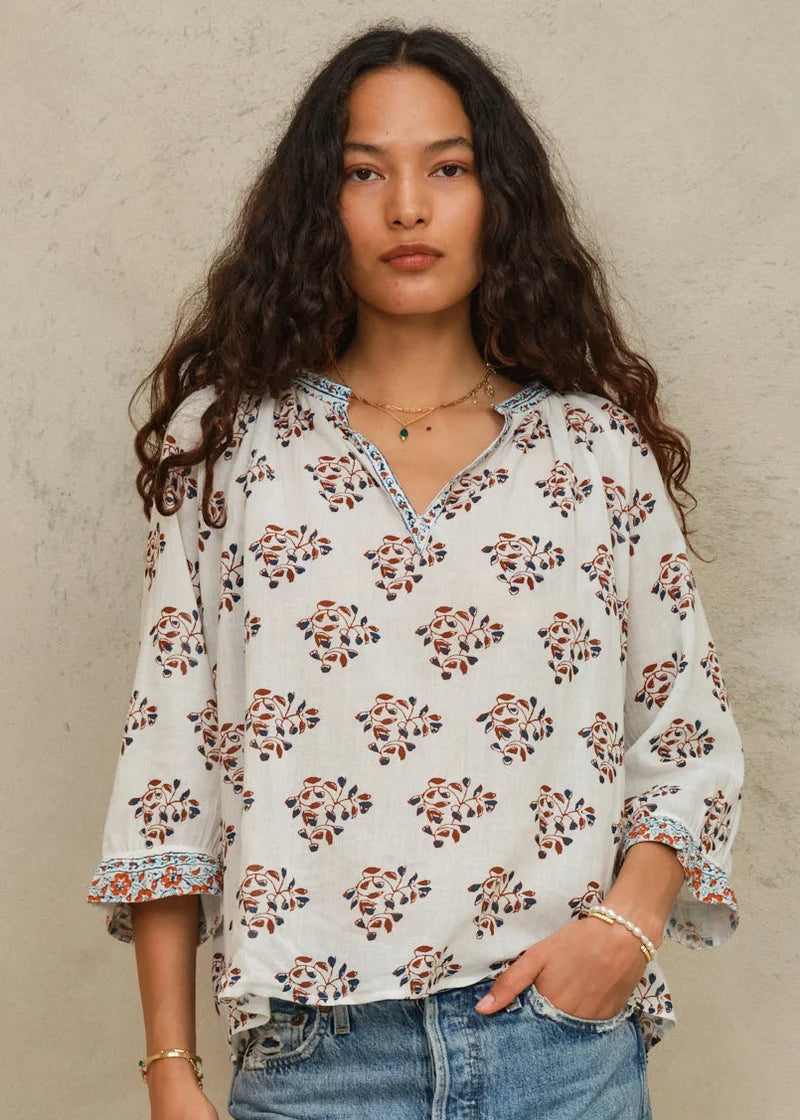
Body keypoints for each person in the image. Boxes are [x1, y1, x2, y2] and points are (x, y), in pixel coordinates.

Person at [87, 21, 744, 1120]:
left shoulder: (589, 449)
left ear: (499, 198)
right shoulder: (233, 449)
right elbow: (169, 759)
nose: (406, 207)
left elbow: (682, 732)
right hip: (314, 1062)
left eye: (447, 168)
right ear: (317, 205)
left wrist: (618, 939)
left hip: (558, 1048)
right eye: (363, 172)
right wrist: (169, 1069)